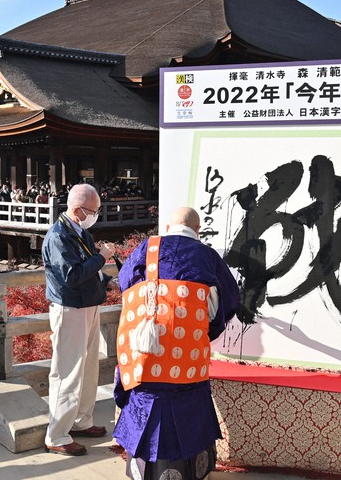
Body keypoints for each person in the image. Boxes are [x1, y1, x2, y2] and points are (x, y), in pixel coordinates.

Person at [113, 206, 239, 480]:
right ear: (197, 230)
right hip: (186, 360)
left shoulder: (146, 248)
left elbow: (125, 285)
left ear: (167, 229)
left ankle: (142, 471)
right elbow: (229, 300)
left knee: (144, 402)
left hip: (144, 354)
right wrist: (203, 330)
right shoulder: (206, 256)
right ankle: (191, 471)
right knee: (188, 407)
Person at [42, 183, 118, 456]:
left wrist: (107, 280)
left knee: (87, 368)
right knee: (68, 372)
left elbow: (88, 266)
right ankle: (57, 435)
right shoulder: (58, 236)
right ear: (77, 210)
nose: (95, 216)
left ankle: (81, 420)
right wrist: (102, 258)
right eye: (93, 211)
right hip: (70, 308)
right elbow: (72, 276)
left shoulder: (79, 231)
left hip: (89, 305)